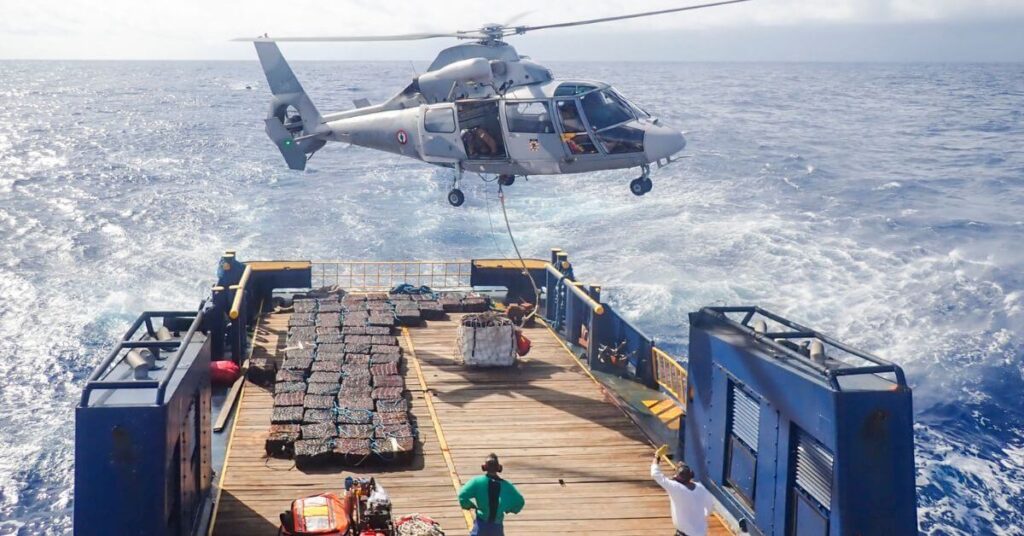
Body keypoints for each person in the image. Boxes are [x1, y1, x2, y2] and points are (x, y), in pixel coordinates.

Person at [458, 454, 525, 536]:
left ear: (484, 467)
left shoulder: (477, 482)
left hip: (481, 525)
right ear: (499, 468)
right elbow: (520, 502)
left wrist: (469, 505)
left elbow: (462, 496)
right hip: (497, 527)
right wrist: (508, 509)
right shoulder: (506, 485)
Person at [652, 455, 715, 536]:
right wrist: (703, 516)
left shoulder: (676, 488)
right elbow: (710, 505)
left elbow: (655, 474)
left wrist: (656, 458)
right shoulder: (700, 487)